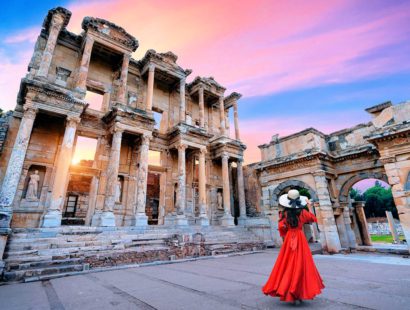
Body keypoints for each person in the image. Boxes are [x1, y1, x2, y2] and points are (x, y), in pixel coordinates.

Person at [262, 189, 324, 304]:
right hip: (300, 238)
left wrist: (286, 234)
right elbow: (313, 219)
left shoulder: (283, 214)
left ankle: (288, 290)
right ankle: (299, 293)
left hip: (289, 238)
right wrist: (309, 207)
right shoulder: (302, 212)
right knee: (302, 264)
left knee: (287, 264)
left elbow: (281, 227)